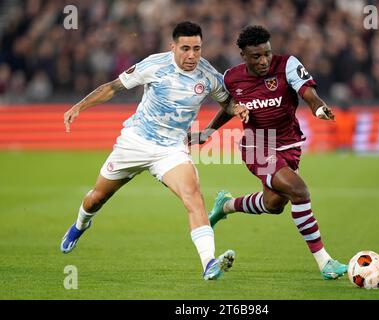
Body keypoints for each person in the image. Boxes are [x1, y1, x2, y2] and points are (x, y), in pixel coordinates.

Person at [60, 21, 248, 281]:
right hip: (134, 143)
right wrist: (80, 105)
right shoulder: (154, 65)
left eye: (197, 48)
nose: (192, 55)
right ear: (173, 47)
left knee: (193, 197)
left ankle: (209, 264)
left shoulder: (208, 75)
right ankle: (80, 225)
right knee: (96, 199)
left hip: (171, 149)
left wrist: (235, 110)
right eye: (185, 48)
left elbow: (227, 102)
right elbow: (114, 87)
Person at [191, 25, 348, 280]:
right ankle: (325, 262)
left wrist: (318, 108)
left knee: (275, 204)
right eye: (256, 56)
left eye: (267, 54)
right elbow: (230, 107)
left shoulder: (287, 65)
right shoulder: (232, 78)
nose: (264, 61)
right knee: (299, 191)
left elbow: (308, 93)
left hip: (289, 143)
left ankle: (226, 206)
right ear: (243, 55)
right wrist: (209, 131)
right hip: (257, 144)